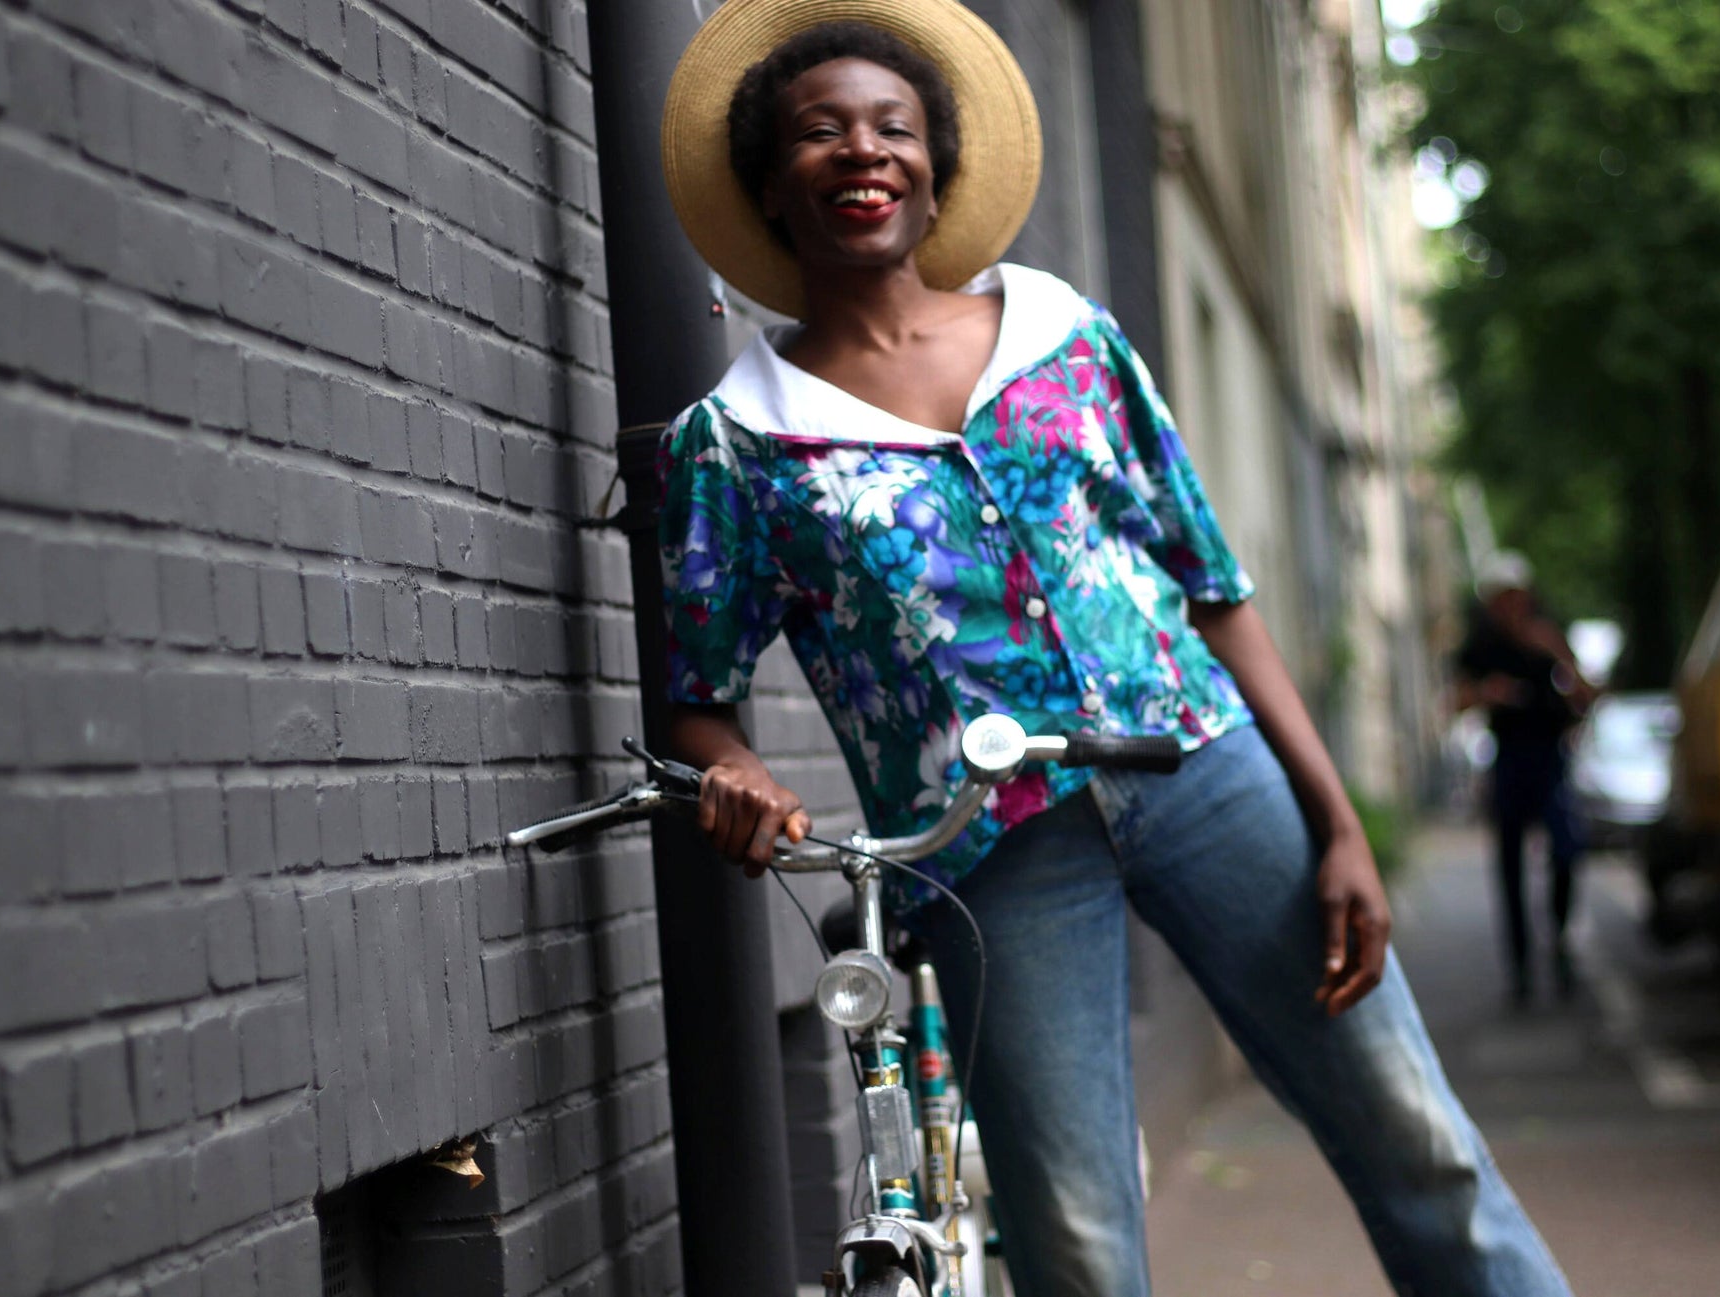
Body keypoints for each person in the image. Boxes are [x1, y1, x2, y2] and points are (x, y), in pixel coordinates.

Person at [655, 4, 1574, 1294]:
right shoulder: (735, 443)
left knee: (1415, 1135)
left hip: (1206, 771)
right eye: (819, 131)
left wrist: (1336, 821)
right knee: (1078, 1245)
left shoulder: (1063, 338)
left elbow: (1214, 587)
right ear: (768, 180)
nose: (861, 151)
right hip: (989, 849)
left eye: (892, 127)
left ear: (936, 168)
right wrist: (731, 771)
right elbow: (695, 695)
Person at [1454, 552, 1596, 1005]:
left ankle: (1559, 941)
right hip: (1510, 758)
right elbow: (1455, 700)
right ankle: (1520, 969)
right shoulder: (1480, 646)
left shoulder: (1549, 635)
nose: (1511, 607)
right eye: (1502, 599)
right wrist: (1486, 693)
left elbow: (1586, 696)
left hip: (1550, 757)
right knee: (1509, 867)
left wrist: (1558, 656)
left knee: (1566, 848)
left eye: (1517, 597)